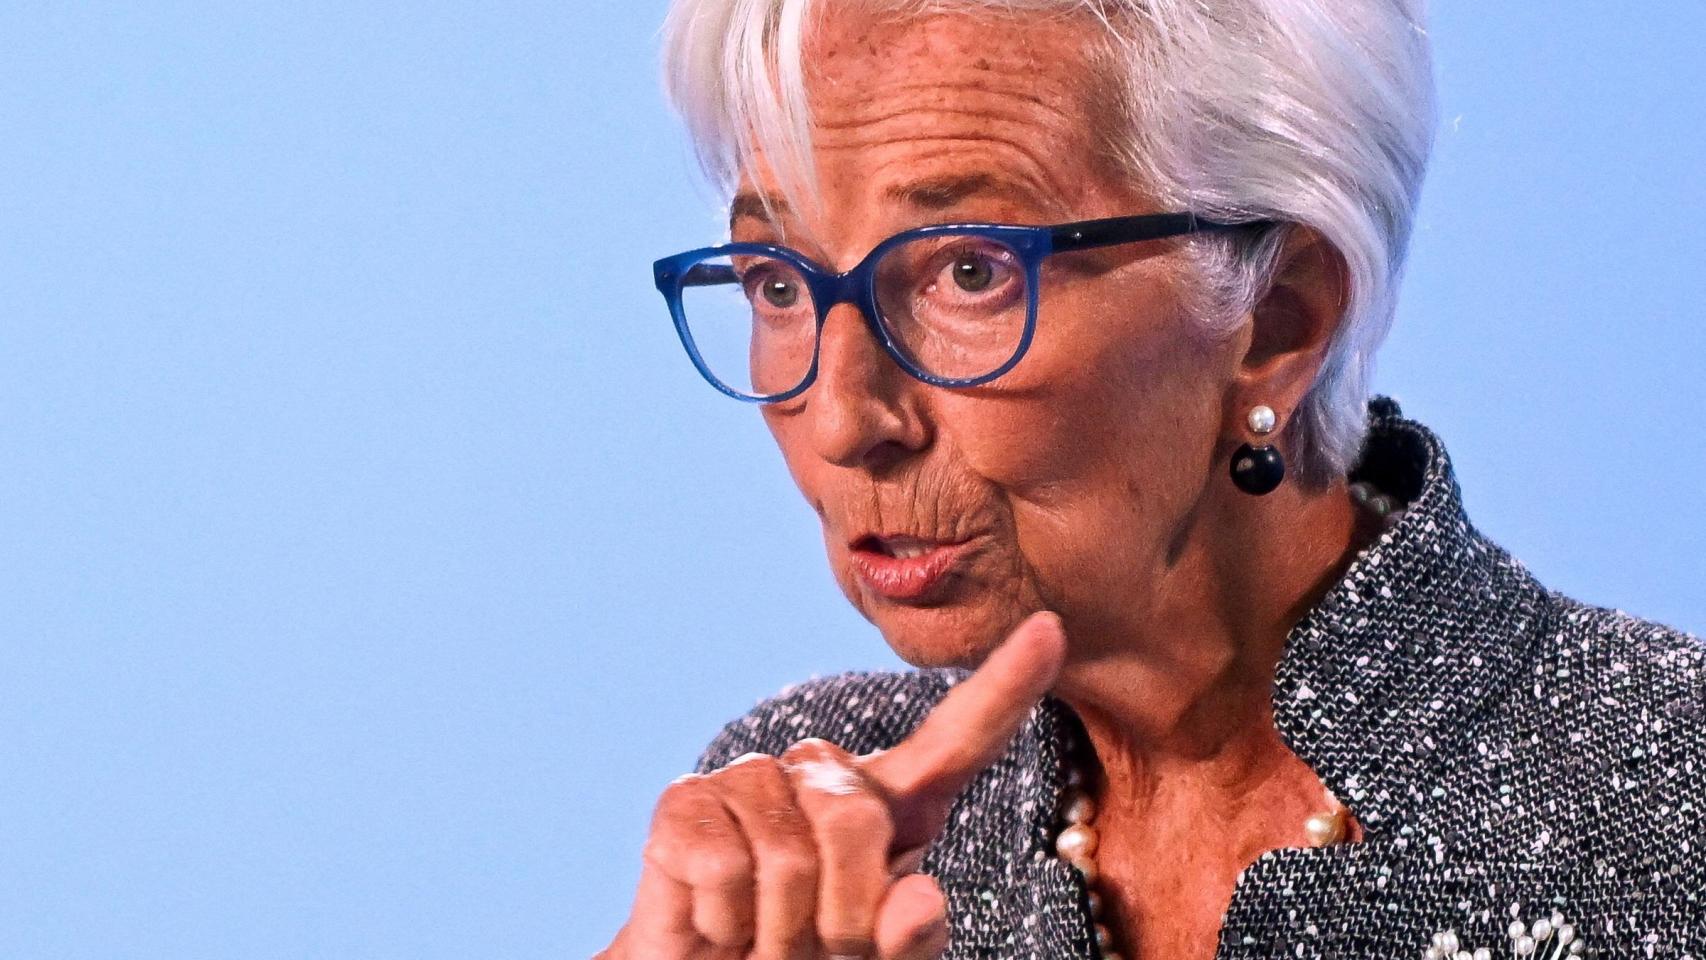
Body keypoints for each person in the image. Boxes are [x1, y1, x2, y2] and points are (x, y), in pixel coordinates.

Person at [601, 1, 1706, 957]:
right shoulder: (813, 829)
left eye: (969, 271)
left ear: (1277, 318)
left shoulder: (1666, 800)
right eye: (777, 284)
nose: (845, 419)